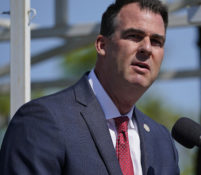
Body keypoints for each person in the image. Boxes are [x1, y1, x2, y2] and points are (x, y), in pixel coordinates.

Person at [0, 0, 180, 174]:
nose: (147, 48)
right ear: (102, 45)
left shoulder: (161, 141)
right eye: (134, 36)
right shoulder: (42, 121)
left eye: (157, 41)